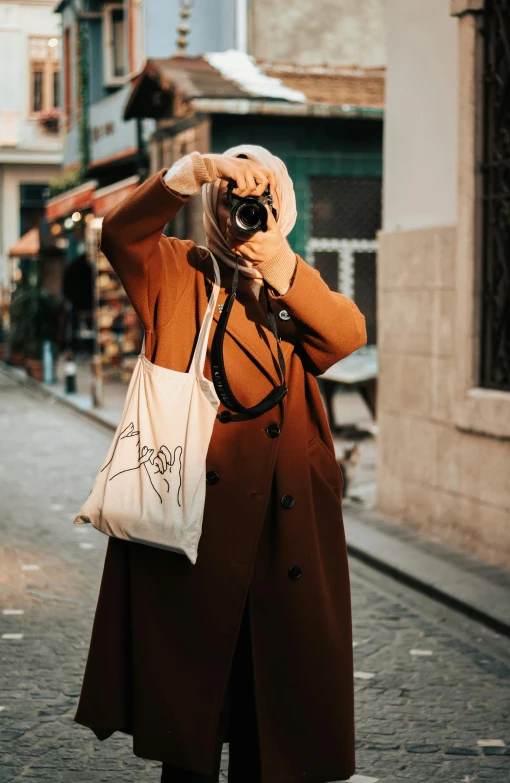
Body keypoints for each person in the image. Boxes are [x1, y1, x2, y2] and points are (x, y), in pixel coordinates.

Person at [73, 145, 367, 783]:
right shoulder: (180, 271)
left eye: (261, 203)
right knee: (193, 736)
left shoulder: (293, 287)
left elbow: (345, 337)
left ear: (281, 208)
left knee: (275, 734)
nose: (248, 214)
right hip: (196, 538)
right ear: (215, 205)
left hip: (282, 543)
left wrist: (279, 262)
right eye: (235, 202)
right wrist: (189, 174)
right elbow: (120, 234)